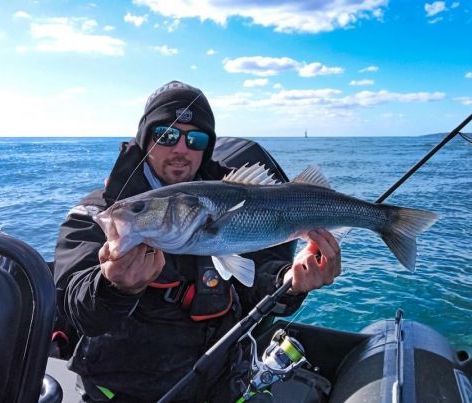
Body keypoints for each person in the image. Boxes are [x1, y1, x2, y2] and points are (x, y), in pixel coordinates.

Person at [53, 80, 341, 402]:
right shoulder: (103, 213)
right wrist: (113, 289)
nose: (180, 148)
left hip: (222, 386)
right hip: (123, 394)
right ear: (146, 140)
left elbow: (255, 280)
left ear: (206, 147)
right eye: (167, 135)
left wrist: (289, 282)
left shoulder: (229, 202)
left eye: (195, 138)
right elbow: (73, 304)